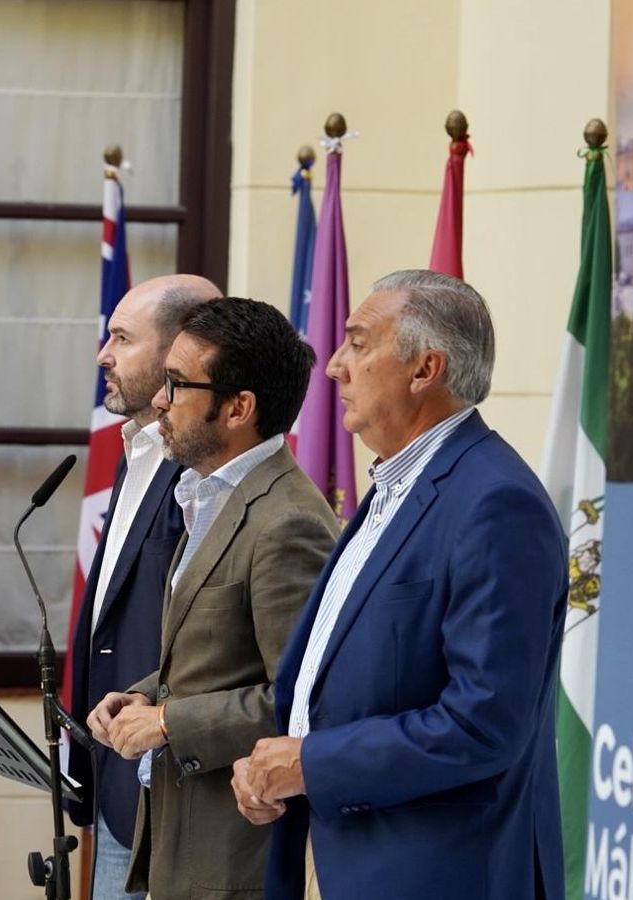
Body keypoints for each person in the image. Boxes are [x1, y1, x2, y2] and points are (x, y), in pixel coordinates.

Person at [232, 270, 568, 900]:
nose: (333, 366)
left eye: (358, 343)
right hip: (339, 850)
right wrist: (275, 765)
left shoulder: (495, 502)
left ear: (425, 369)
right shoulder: (396, 484)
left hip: (440, 871)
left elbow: (481, 723)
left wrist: (309, 764)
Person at [87, 297, 338, 900]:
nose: (160, 401)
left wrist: (169, 721)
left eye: (177, 384)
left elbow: (301, 704)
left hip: (234, 859)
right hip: (178, 840)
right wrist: (142, 696)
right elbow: (216, 657)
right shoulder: (206, 493)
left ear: (238, 407)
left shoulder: (288, 523)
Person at [67, 274, 221, 899]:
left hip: (168, 794)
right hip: (113, 779)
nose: (104, 354)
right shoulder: (135, 451)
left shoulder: (201, 473)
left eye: (123, 339)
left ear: (177, 353)